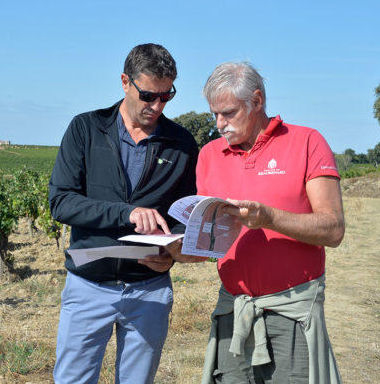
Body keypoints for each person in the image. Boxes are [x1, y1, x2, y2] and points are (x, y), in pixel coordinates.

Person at [167, 62, 345, 384]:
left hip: (291, 310)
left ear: (257, 101)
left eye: (229, 113)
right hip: (233, 309)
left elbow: (333, 230)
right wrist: (180, 251)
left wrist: (270, 218)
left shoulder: (307, 142)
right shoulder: (209, 155)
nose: (220, 124)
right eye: (214, 115)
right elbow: (211, 242)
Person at [48, 43, 199, 384]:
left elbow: (183, 214)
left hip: (150, 289)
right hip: (88, 285)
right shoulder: (85, 129)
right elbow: (62, 202)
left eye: (166, 96)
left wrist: (172, 254)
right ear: (124, 82)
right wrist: (127, 213)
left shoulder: (182, 143)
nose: (157, 106)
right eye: (148, 96)